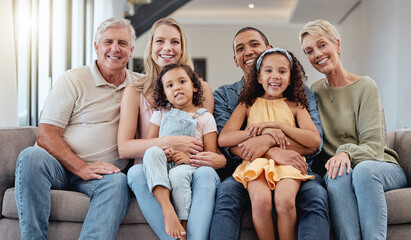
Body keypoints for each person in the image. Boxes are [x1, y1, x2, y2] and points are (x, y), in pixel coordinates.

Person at [14, 18, 140, 239]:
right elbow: (46, 134)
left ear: (131, 50)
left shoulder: (140, 86)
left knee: (118, 181)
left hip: (103, 175)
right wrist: (81, 167)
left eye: (122, 43)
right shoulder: (73, 80)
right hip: (59, 168)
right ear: (96, 47)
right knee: (31, 156)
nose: (114, 48)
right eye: (108, 41)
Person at [211, 27, 330, 240]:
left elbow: (314, 142)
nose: (275, 76)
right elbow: (225, 141)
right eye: (241, 48)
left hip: (291, 165)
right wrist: (263, 141)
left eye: (254, 45)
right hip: (253, 164)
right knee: (245, 198)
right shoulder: (237, 100)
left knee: (305, 198)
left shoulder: (298, 101)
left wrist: (274, 131)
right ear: (258, 75)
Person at [299, 19, 407, 240]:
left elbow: (375, 146)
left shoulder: (365, 86)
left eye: (321, 45)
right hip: (341, 170)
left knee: (363, 171)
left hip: (380, 165)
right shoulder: (314, 91)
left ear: (337, 45)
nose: (317, 54)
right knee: (336, 176)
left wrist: (345, 152)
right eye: (309, 51)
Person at [118, 18, 224, 240]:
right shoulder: (135, 90)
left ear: (182, 48)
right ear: (151, 47)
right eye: (160, 41)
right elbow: (125, 148)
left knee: (205, 172)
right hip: (152, 167)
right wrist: (170, 142)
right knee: (136, 172)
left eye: (175, 42)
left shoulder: (201, 89)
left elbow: (208, 145)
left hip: (191, 165)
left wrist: (214, 159)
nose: (167, 48)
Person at [142, 63, 218, 239]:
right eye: (169, 85)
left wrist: (188, 159)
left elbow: (211, 156)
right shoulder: (160, 114)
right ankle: (167, 209)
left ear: (195, 86)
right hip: (161, 166)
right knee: (152, 152)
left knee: (178, 175)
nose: (176, 87)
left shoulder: (205, 117)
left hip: (187, 167)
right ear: (164, 93)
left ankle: (182, 225)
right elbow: (150, 144)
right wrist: (164, 149)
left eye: (182, 81)